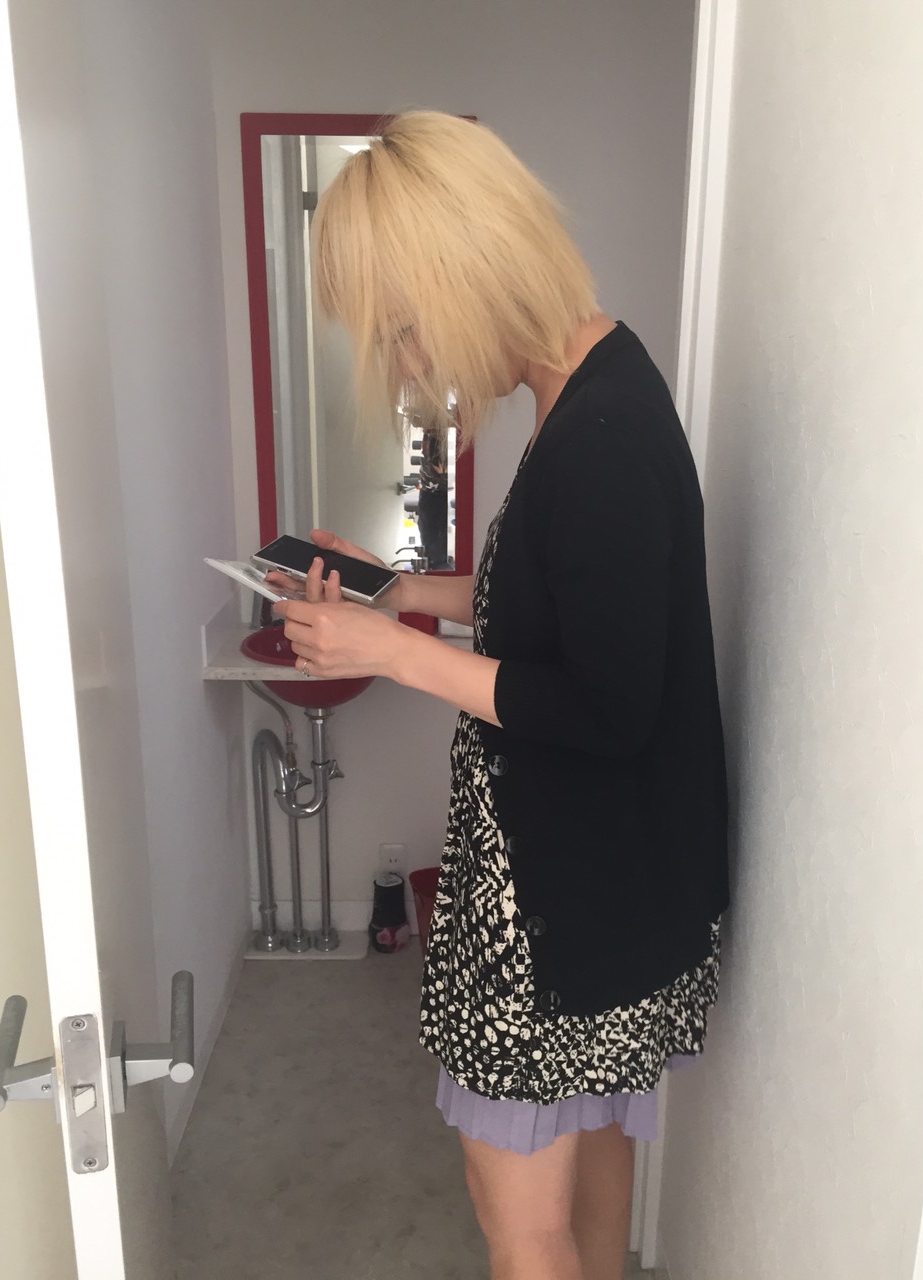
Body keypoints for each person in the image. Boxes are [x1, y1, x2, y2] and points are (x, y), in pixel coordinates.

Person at [269, 111, 729, 1280]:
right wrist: (395, 589)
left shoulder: (600, 437)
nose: (408, 366)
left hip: (554, 914)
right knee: (595, 1157)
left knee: (520, 1222)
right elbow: (557, 600)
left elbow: (606, 706)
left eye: (402, 330)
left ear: (459, 279)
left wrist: (391, 650)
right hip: (599, 891)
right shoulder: (591, 386)